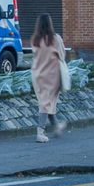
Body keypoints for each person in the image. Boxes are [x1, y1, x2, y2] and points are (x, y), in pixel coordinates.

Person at [30, 12, 67, 143]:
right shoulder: (55, 39)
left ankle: (56, 126)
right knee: (46, 103)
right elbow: (62, 56)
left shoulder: (35, 40)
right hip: (52, 76)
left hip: (37, 75)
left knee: (46, 101)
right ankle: (40, 132)